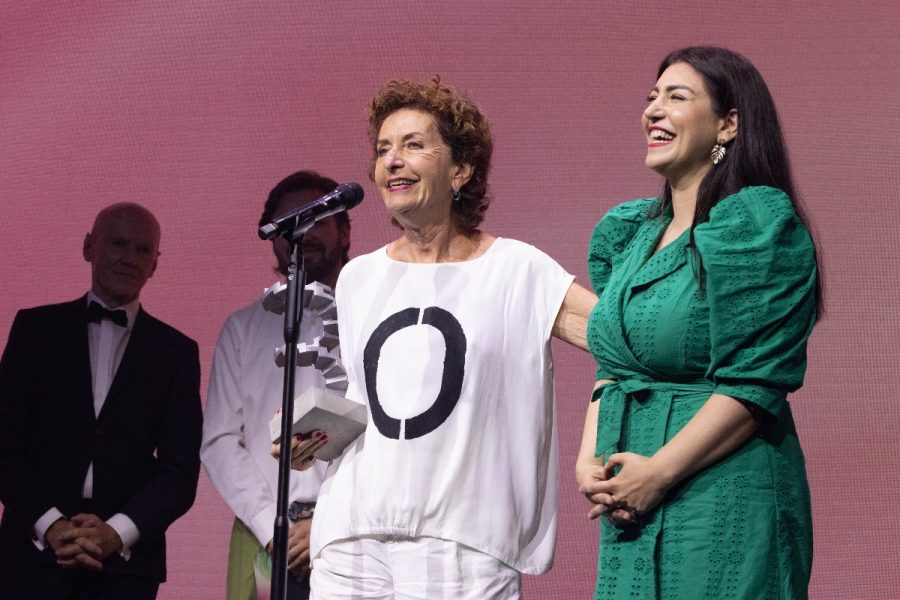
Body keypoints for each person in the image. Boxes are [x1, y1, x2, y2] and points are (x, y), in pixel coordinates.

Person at [289, 77, 597, 599]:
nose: (391, 161)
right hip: (350, 536)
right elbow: (371, 401)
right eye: (383, 149)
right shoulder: (359, 277)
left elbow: (628, 341)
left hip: (460, 539)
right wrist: (310, 434)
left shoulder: (517, 271)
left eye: (413, 145)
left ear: (461, 169)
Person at [576, 46, 823, 599]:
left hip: (721, 493)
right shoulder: (629, 233)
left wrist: (660, 472)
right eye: (651, 98)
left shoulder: (755, 224)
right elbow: (612, 365)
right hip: (629, 503)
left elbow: (755, 381)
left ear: (729, 124)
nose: (654, 110)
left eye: (676, 97)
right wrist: (589, 459)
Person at [0, 203, 203, 600]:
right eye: (118, 244)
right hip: (31, 557)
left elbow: (180, 471)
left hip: (127, 567)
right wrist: (51, 526)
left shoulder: (176, 352)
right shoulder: (33, 331)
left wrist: (117, 532)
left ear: (156, 264)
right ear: (89, 247)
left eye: (143, 250)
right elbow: (5, 445)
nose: (130, 258)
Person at [201, 171, 351, 600]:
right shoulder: (243, 327)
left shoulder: (372, 317)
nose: (303, 233)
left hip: (350, 534)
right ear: (272, 237)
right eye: (290, 223)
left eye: (318, 220)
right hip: (266, 538)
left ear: (344, 232)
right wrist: (273, 529)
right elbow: (220, 441)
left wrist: (328, 522)